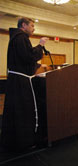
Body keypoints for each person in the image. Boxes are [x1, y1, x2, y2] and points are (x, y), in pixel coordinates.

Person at [1, 17, 48, 152]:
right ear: (23, 25)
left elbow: (23, 59)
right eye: (32, 26)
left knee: (17, 111)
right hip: (20, 83)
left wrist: (38, 65)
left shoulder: (16, 38)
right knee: (23, 111)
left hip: (16, 81)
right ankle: (23, 141)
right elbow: (28, 56)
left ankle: (14, 140)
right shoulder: (21, 38)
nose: (34, 28)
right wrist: (40, 45)